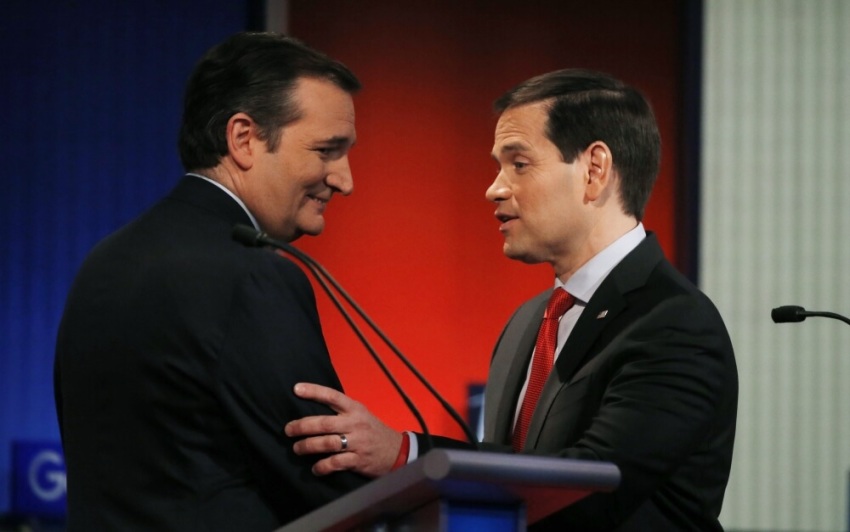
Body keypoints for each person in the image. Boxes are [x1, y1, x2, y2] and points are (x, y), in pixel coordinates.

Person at [284, 69, 739, 530]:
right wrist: (399, 452)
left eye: (519, 164)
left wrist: (407, 459)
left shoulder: (674, 323)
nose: (494, 188)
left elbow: (585, 492)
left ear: (594, 170)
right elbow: (510, 468)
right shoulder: (529, 321)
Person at [53, 32, 376, 531]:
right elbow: (330, 481)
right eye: (327, 150)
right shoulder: (253, 275)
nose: (344, 179)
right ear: (244, 138)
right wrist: (414, 464)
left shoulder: (104, 263)